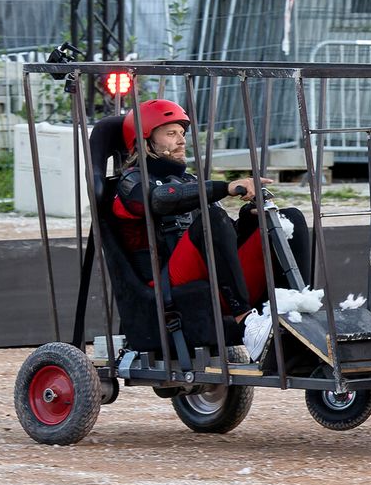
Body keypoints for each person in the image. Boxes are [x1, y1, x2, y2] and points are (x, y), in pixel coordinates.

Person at [111, 99, 309, 361]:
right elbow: (160, 199)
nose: (181, 140)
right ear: (145, 142)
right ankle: (246, 323)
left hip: (212, 283)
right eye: (171, 134)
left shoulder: (189, 181)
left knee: (289, 220)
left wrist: (247, 222)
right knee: (212, 219)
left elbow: (223, 239)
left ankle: (297, 313)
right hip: (165, 288)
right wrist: (224, 187)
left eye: (182, 133)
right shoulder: (131, 182)